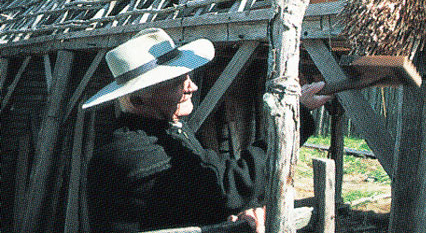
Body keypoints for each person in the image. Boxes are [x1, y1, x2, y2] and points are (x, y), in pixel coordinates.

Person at [82, 28, 331, 233]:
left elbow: (200, 197)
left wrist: (235, 213)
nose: (191, 87)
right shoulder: (130, 153)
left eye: (188, 76)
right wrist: (293, 117)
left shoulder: (166, 133)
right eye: (176, 82)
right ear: (138, 100)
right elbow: (228, 186)